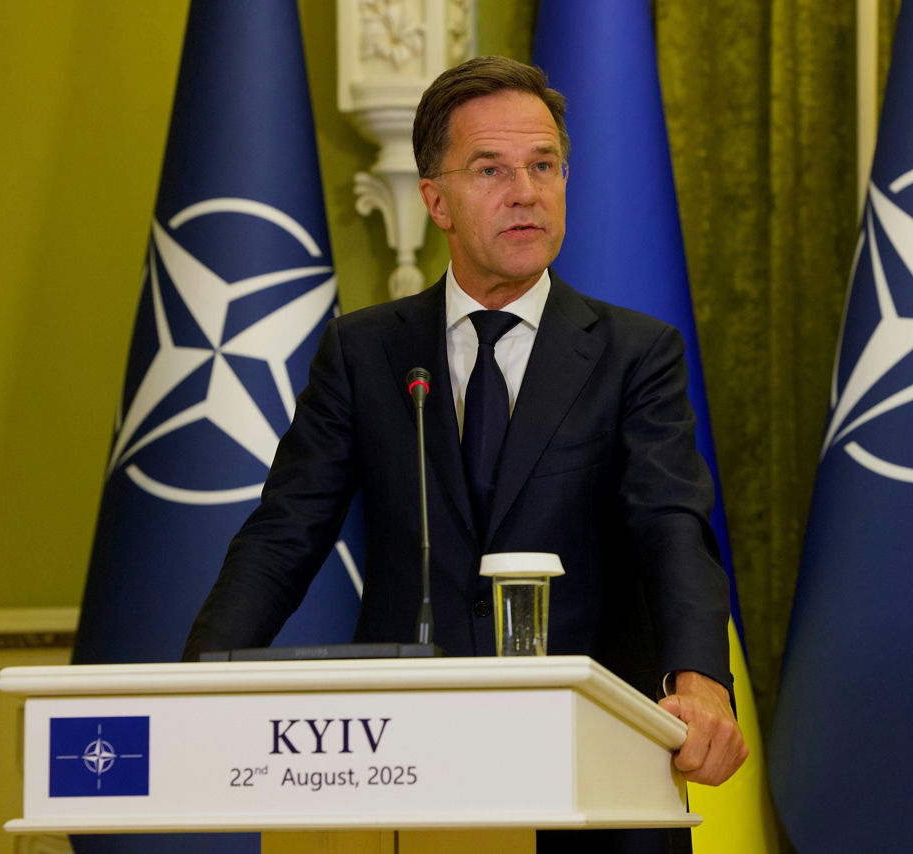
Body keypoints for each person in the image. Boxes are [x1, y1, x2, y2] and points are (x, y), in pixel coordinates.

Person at [184, 55, 747, 852]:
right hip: (408, 766)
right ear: (435, 200)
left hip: (592, 765)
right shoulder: (365, 353)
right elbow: (285, 534)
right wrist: (197, 683)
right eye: (491, 169)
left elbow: (672, 528)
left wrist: (701, 681)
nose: (526, 191)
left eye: (543, 165)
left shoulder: (635, 353)